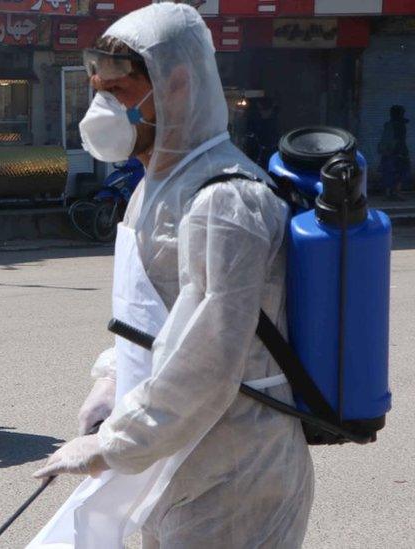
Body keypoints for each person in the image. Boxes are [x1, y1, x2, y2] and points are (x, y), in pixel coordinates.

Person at [29, 4, 313, 548]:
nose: (102, 109)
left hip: (233, 476)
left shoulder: (227, 200)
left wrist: (114, 444)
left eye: (120, 92)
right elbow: (152, 310)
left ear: (176, 85)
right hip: (174, 461)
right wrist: (113, 378)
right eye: (98, 90)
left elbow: (207, 358)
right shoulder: (153, 186)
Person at [378, 105, 410, 201]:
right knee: (401, 172)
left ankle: (389, 193)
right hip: (397, 153)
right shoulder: (399, 125)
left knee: (389, 172)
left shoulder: (389, 124)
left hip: (389, 153)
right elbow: (399, 140)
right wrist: (402, 152)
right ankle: (396, 192)